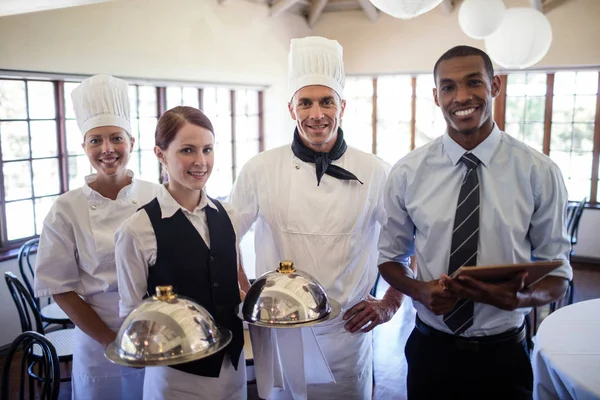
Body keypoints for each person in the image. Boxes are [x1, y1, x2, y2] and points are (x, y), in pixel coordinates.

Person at [377, 45, 573, 400]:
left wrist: (518, 299)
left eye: (474, 83)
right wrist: (420, 291)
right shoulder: (407, 172)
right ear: (436, 97)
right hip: (430, 351)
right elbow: (390, 258)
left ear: (495, 86)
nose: (461, 97)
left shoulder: (538, 172)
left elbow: (559, 275)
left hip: (504, 355)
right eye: (448, 87)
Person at [228, 36, 405, 400]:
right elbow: (224, 234)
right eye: (305, 103)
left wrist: (390, 303)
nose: (317, 114)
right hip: (278, 330)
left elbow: (407, 243)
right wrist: (245, 291)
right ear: (291, 109)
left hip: (347, 335)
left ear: (343, 105)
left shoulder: (376, 171)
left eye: (326, 101)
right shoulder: (261, 168)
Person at [34, 74, 161, 399]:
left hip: (157, 327)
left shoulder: (159, 195)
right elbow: (60, 289)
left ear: (132, 142)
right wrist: (109, 339)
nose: (107, 149)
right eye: (96, 140)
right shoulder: (66, 208)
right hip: (97, 335)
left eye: (116, 138)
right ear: (84, 147)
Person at [115, 106, 250, 400]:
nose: (201, 162)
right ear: (160, 154)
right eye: (187, 150)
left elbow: (230, 282)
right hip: (175, 377)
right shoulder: (137, 230)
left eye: (208, 149)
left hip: (234, 369)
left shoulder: (230, 215)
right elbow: (131, 314)